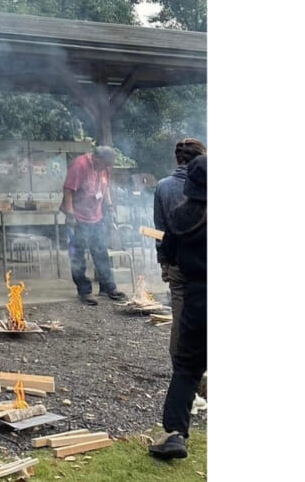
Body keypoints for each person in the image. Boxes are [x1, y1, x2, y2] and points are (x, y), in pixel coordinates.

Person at [149, 155, 206, 460]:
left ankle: (174, 434)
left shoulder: (181, 217)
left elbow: (170, 253)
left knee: (186, 369)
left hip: (198, 302)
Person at [153, 138, 207, 357]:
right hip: (205, 264)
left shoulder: (163, 186)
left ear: (177, 159)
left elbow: (161, 229)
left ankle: (180, 369)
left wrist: (164, 263)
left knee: (180, 318)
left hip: (177, 264)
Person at [60, 145, 128, 305]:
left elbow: (105, 189)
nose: (106, 168)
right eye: (104, 164)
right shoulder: (80, 165)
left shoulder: (105, 167)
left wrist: (110, 207)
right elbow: (68, 190)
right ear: (96, 158)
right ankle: (84, 291)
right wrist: (70, 214)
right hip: (78, 218)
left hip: (96, 216)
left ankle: (108, 287)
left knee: (101, 252)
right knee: (78, 256)